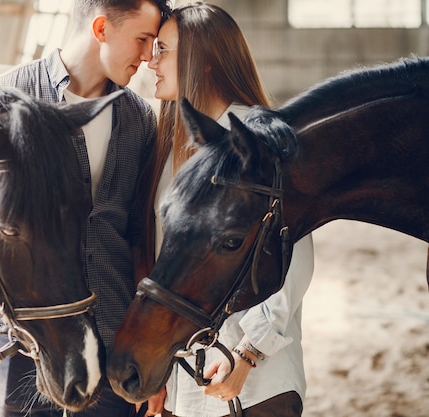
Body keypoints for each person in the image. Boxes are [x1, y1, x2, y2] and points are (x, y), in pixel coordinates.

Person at [0, 1, 172, 416]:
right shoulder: (3, 102)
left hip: (115, 333)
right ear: (101, 28)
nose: (149, 55)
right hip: (25, 337)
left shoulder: (138, 119)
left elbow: (141, 242)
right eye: (142, 39)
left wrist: (151, 357)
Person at [137, 3, 315, 417]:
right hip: (188, 385)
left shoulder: (261, 139)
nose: (151, 60)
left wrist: (248, 354)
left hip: (257, 386)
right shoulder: (167, 148)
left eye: (163, 49)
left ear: (207, 60)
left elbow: (294, 261)